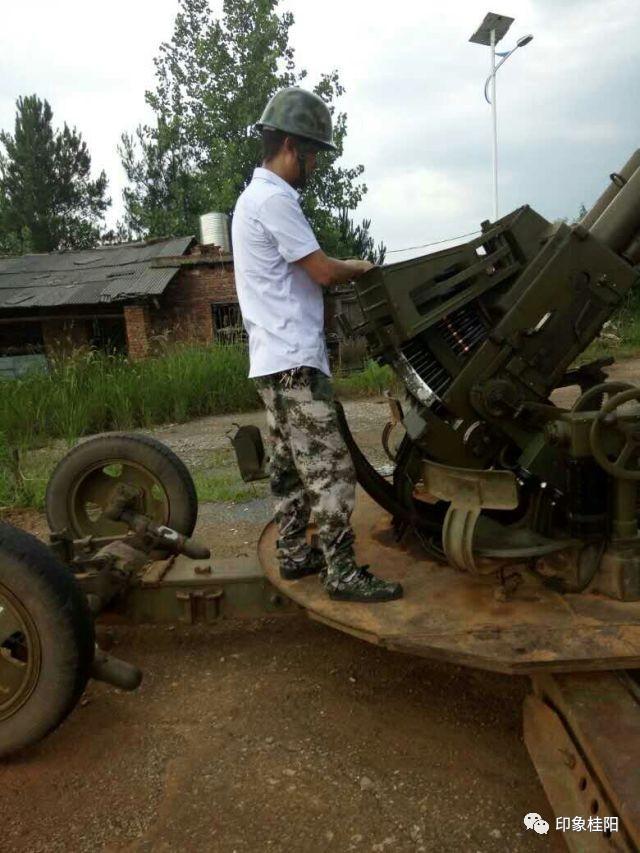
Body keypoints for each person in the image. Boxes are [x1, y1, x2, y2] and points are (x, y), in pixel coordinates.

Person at [232, 87, 403, 604]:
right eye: (310, 155)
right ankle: (342, 571)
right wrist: (365, 267)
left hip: (271, 362)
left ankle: (292, 552)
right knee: (331, 470)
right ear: (289, 145)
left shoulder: (250, 198)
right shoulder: (274, 199)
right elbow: (324, 271)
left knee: (286, 466)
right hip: (294, 363)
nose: (313, 166)